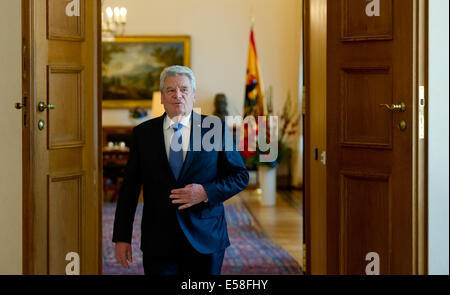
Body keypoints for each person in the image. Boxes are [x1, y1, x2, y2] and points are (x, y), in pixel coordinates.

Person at [112, 65, 249, 275]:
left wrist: (205, 192)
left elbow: (240, 176)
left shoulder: (215, 128)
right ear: (162, 98)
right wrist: (122, 237)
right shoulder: (143, 134)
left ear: (193, 96)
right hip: (158, 240)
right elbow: (129, 189)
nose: (178, 95)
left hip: (206, 237)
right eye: (170, 90)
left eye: (184, 89)